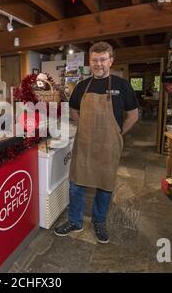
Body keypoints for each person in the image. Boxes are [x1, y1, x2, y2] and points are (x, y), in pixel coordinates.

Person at [54, 42, 139, 243]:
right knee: (76, 184)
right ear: (89, 61)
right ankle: (75, 221)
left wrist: (118, 133)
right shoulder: (82, 86)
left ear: (111, 60)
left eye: (103, 59)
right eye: (94, 60)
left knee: (105, 185)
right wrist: (83, 125)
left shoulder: (122, 86)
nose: (98, 64)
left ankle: (99, 222)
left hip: (109, 145)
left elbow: (133, 115)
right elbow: (73, 110)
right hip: (84, 143)